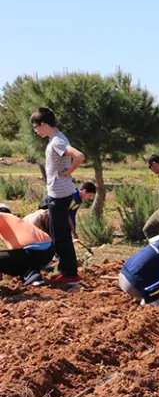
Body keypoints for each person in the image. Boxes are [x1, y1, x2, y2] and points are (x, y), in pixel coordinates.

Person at [31, 107, 85, 287]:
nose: (35, 131)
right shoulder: (58, 138)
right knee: (57, 233)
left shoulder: (57, 142)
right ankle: (66, 270)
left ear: (44, 124)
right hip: (60, 192)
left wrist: (69, 171)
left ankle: (70, 275)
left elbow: (79, 156)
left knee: (61, 235)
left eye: (36, 127)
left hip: (59, 194)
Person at [0, 210, 55, 286]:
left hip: (32, 252)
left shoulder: (2, 218)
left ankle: (29, 273)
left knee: (19, 257)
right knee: (15, 257)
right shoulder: (8, 219)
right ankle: (30, 274)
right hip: (48, 250)